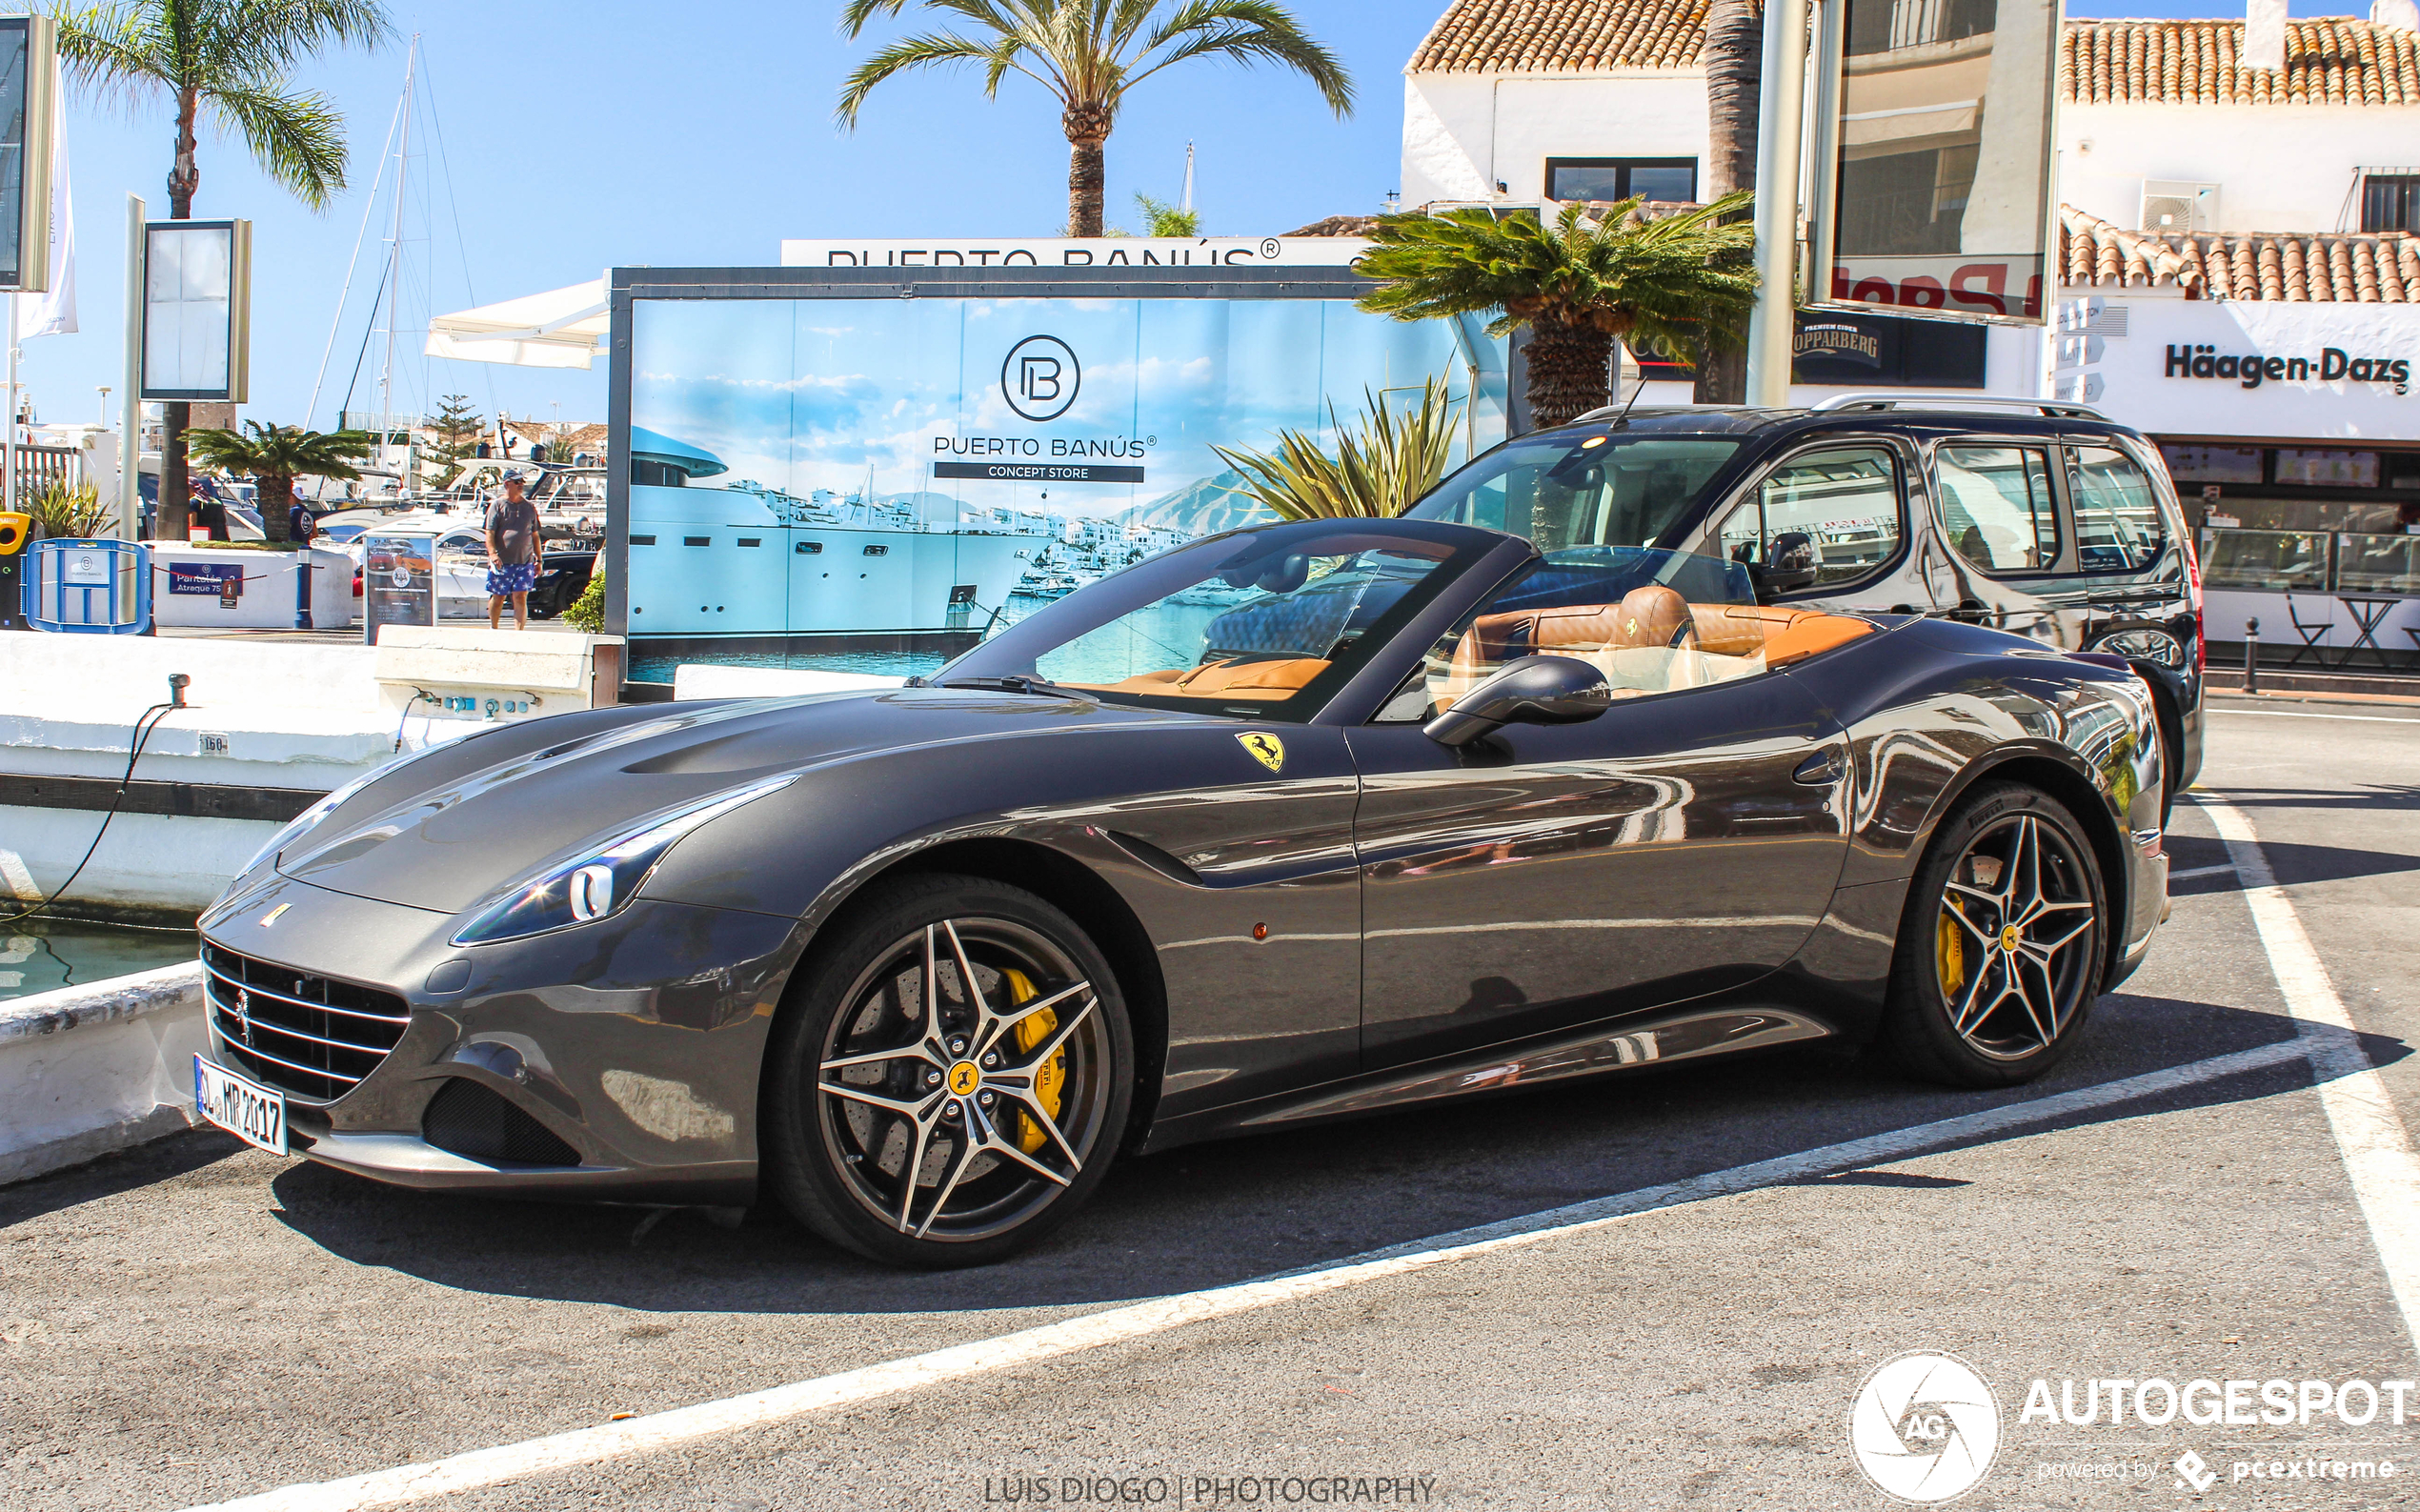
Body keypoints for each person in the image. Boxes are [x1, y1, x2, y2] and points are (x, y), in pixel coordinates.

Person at [484, 474, 542, 630]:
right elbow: (489, 532)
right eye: (517, 482)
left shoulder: (529, 507)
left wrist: (539, 560)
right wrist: (493, 554)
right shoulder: (497, 505)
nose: (521, 485)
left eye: (522, 482)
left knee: (520, 596)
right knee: (499, 596)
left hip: (525, 561)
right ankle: (493, 628)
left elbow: (535, 535)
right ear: (507, 484)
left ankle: (519, 632)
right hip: (502, 562)